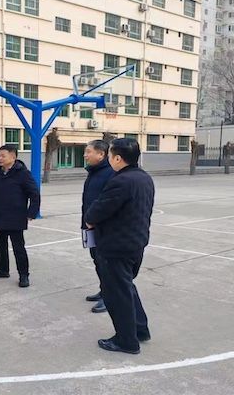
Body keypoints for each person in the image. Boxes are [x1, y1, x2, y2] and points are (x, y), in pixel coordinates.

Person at [84, 138, 154, 355]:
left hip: (117, 246)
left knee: (117, 295)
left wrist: (90, 219)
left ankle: (126, 341)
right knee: (127, 288)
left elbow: (97, 212)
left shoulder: (120, 181)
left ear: (117, 158)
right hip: (135, 243)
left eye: (110, 155)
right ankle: (140, 330)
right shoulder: (144, 177)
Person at [0, 145, 40, 288]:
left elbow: (34, 194)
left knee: (18, 247)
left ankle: (24, 275)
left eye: (3, 156)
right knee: (0, 244)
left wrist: (32, 212)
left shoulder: (23, 174)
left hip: (16, 217)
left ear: (13, 157)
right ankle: (3, 269)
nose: (0, 158)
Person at [81, 140, 114, 313]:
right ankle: (104, 291)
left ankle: (110, 298)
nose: (85, 155)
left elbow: (108, 204)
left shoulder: (110, 174)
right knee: (97, 261)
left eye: (88, 152)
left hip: (103, 229)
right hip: (90, 226)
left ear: (101, 154)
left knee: (105, 264)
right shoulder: (93, 172)